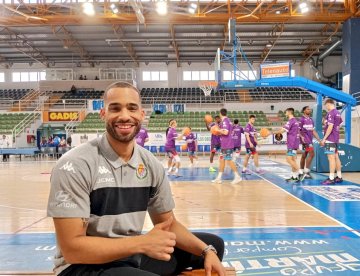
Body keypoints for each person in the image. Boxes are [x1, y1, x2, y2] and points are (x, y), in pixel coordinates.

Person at [47, 82, 225, 276]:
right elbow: (72, 249)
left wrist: (206, 250)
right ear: (103, 114)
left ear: (142, 115)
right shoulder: (75, 164)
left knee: (214, 245)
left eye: (132, 108)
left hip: (128, 255)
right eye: (115, 108)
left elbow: (168, 223)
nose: (124, 116)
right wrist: (141, 243)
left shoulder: (150, 164)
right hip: (82, 266)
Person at [212, 109, 242, 185]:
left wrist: (217, 130)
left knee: (229, 160)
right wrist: (218, 131)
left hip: (228, 144)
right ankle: (219, 178)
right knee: (221, 160)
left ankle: (237, 176)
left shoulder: (225, 121)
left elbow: (226, 132)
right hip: (224, 144)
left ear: (220, 113)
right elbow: (224, 132)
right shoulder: (227, 121)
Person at [274, 108, 301, 183]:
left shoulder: (291, 121)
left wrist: (270, 133)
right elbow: (283, 128)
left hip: (292, 143)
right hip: (295, 142)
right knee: (293, 160)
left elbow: (282, 131)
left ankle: (300, 173)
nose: (285, 113)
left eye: (286, 112)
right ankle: (294, 177)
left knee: (288, 159)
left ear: (289, 112)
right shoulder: (296, 121)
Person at [320, 98, 343, 185]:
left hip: (330, 139)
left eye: (326, 106)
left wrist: (324, 138)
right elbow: (339, 123)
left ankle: (331, 178)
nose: (326, 108)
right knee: (336, 157)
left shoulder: (331, 113)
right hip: (336, 138)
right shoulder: (337, 113)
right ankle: (339, 176)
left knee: (331, 158)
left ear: (329, 104)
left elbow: (330, 126)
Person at [298, 106, 321, 180]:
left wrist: (319, 140)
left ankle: (301, 171)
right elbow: (298, 130)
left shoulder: (311, 120)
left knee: (304, 155)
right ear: (304, 111)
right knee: (312, 154)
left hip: (309, 140)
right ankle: (306, 172)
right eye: (308, 109)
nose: (309, 110)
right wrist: (301, 137)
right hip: (305, 140)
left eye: (310, 109)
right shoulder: (301, 119)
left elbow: (313, 131)